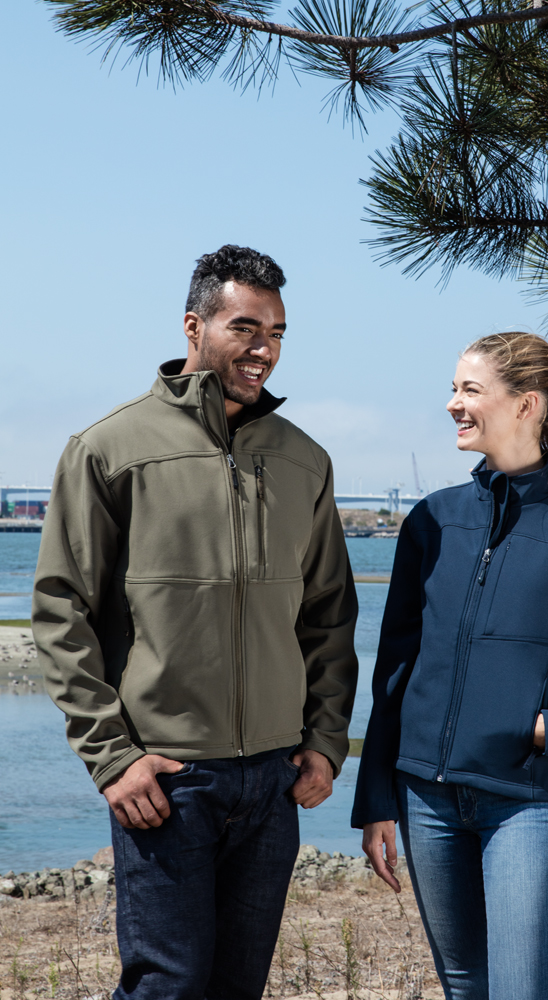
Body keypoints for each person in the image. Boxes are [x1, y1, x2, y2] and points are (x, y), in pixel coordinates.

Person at [32, 245, 358, 1000]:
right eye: (245, 327)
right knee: (167, 986)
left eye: (276, 332)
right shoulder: (108, 450)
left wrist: (325, 741)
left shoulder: (305, 460)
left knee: (239, 985)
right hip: (167, 777)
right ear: (193, 327)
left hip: (273, 778)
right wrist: (113, 759)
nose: (263, 348)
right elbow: (61, 611)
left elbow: (328, 616)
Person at [351, 332, 548, 1000]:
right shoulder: (432, 521)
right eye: (453, 389)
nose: (452, 404)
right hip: (426, 799)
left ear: (526, 404)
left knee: (518, 990)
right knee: (466, 987)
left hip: (528, 801)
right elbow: (395, 671)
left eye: (470, 390)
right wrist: (376, 797)